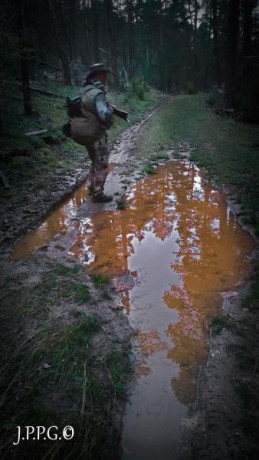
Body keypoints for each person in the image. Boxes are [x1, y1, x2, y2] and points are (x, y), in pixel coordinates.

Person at [71, 63, 115, 203]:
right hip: (96, 133)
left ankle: (90, 186)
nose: (106, 77)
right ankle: (98, 193)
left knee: (94, 160)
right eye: (104, 74)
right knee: (102, 163)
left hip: (85, 132)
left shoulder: (84, 91)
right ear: (98, 76)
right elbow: (104, 115)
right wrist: (112, 109)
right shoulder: (98, 94)